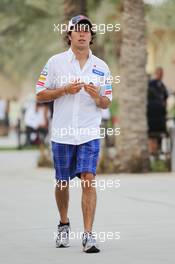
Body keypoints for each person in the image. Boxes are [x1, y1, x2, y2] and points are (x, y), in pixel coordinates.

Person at [36, 15, 112, 253]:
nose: (82, 34)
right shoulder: (55, 62)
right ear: (69, 35)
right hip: (62, 134)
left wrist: (96, 96)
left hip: (89, 133)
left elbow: (106, 102)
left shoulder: (101, 67)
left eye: (86, 31)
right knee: (62, 182)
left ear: (91, 36)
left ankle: (88, 235)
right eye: (77, 30)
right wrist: (64, 90)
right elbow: (40, 93)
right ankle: (64, 223)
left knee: (89, 180)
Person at [147, 67, 168, 155]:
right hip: (159, 125)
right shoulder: (152, 84)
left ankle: (153, 150)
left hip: (151, 126)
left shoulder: (161, 85)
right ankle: (156, 150)